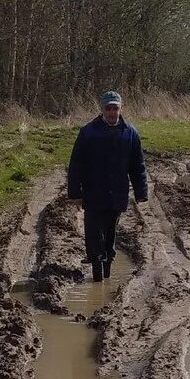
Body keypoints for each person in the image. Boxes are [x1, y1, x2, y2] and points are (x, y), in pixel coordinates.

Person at [66, 90, 148, 282]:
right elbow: (76, 164)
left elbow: (138, 165)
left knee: (110, 232)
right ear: (102, 109)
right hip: (93, 193)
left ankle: (107, 267)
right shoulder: (88, 132)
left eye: (115, 108)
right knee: (94, 234)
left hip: (117, 194)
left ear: (121, 108)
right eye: (108, 108)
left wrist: (141, 191)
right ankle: (96, 271)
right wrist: (74, 192)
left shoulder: (130, 133)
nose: (112, 112)